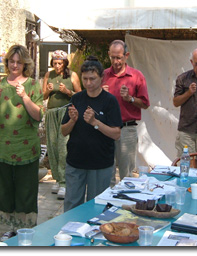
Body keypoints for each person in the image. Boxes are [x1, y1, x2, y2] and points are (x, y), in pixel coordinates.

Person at [0, 44, 44, 241]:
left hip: (27, 149)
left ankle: (24, 228)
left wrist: (25, 96)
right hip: (2, 148)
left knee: (26, 189)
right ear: (7, 62)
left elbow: (38, 115)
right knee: (3, 190)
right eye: (12, 61)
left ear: (25, 63)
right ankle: (7, 228)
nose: (15, 65)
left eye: (19, 62)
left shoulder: (33, 85)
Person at [61, 56, 123, 212]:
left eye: (93, 79)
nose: (88, 83)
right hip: (76, 162)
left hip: (100, 164)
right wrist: (73, 121)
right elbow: (63, 131)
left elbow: (116, 134)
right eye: (85, 79)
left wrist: (96, 123)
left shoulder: (110, 101)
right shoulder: (76, 98)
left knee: (97, 208)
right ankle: (69, 235)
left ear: (102, 78)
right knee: (72, 206)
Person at [102, 40, 150, 186]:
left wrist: (130, 99)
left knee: (127, 175)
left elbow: (146, 104)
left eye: (119, 57)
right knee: (106, 172)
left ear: (126, 55)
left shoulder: (136, 76)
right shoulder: (103, 75)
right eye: (113, 57)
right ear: (109, 55)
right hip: (106, 128)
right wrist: (101, 96)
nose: (116, 61)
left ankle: (125, 204)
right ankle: (106, 204)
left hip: (127, 129)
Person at [43, 50, 81, 199]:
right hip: (51, 113)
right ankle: (57, 179)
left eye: (60, 63)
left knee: (63, 147)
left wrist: (68, 91)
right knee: (52, 147)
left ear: (65, 63)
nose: (57, 66)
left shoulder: (72, 75)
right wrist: (47, 91)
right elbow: (43, 96)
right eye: (55, 63)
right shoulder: (48, 75)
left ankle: (65, 182)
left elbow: (80, 94)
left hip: (65, 112)